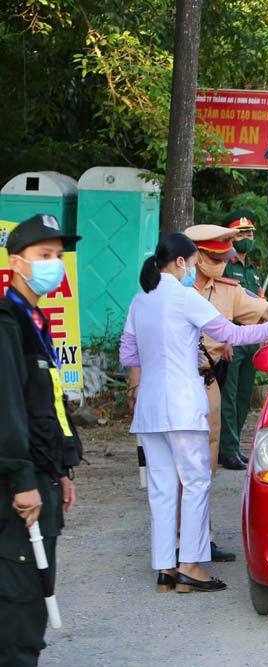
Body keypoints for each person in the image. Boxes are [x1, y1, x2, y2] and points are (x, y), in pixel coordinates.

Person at [119, 233, 268, 593]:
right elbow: (230, 333)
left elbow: (128, 355)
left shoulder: (140, 300)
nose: (195, 267)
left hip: (150, 411)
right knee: (196, 483)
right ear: (180, 262)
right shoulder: (185, 298)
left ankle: (165, 569)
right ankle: (191, 567)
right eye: (194, 260)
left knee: (162, 490)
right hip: (182, 406)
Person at [0, 214, 82, 665]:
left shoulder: (35, 320)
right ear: (17, 263)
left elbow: (48, 407)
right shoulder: (8, 322)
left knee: (33, 586)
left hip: (42, 476)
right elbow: (8, 411)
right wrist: (23, 478)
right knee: (20, 597)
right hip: (18, 486)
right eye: (43, 256)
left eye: (58, 256)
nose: (54, 264)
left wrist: (61, 470)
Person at [188, 224, 268, 473]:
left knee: (206, 458)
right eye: (214, 257)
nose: (220, 263)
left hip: (207, 376)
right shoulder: (171, 291)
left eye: (222, 258)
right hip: (173, 382)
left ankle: (225, 455)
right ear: (196, 256)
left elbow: (263, 309)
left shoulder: (229, 290)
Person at [220, 210, 262, 471]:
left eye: (249, 233)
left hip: (251, 340)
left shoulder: (252, 270)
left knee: (245, 397)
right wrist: (223, 337)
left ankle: (233, 446)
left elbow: (256, 302)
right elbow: (222, 303)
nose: (246, 237)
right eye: (241, 233)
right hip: (231, 339)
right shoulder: (225, 265)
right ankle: (227, 450)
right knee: (229, 397)